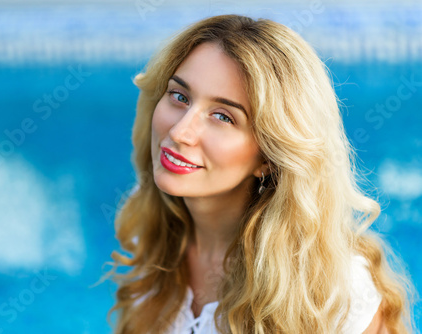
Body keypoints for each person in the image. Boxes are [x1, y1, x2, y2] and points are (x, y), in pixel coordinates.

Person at [105, 14, 416, 333]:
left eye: (223, 116)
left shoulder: (337, 294)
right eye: (180, 96)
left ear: (269, 156)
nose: (180, 131)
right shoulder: (150, 233)